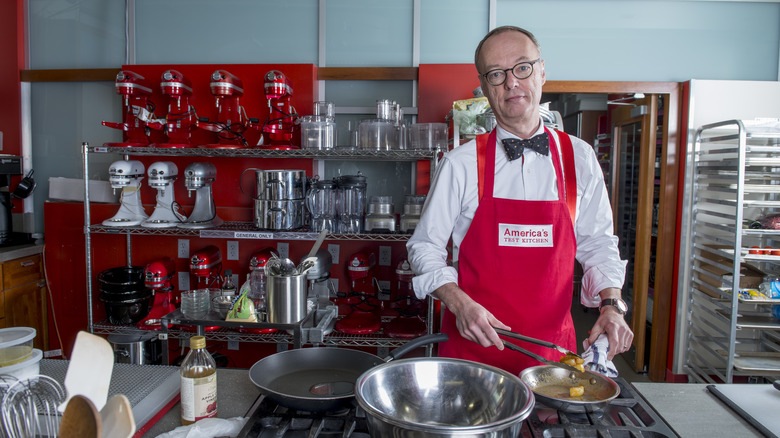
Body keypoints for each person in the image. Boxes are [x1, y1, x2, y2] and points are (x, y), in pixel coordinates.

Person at [406, 25, 633, 375]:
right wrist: (458, 303)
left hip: (552, 356)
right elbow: (424, 247)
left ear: (542, 70)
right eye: (496, 74)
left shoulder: (580, 157)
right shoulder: (460, 164)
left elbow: (599, 244)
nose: (511, 82)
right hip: (474, 353)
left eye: (522, 67)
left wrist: (611, 306)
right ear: (484, 87)